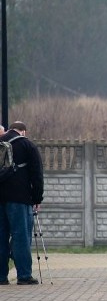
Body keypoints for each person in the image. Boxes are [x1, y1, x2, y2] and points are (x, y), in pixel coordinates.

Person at [0, 122, 43, 285]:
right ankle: (24, 275)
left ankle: (1, 277)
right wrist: (37, 198)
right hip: (20, 198)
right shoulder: (27, 145)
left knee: (1, 237)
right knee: (20, 236)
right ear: (23, 131)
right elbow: (37, 175)